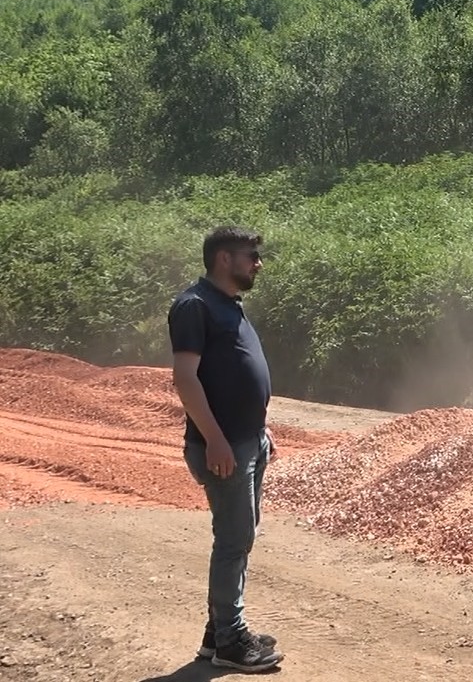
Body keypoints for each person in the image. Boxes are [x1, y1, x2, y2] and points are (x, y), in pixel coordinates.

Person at [167, 225, 285, 673]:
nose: (257, 263)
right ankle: (232, 643)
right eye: (250, 256)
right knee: (233, 539)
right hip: (224, 446)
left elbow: (234, 373)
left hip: (246, 440)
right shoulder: (194, 306)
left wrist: (259, 426)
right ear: (223, 259)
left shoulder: (228, 304)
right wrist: (215, 438)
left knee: (242, 535)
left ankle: (218, 631)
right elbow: (186, 378)